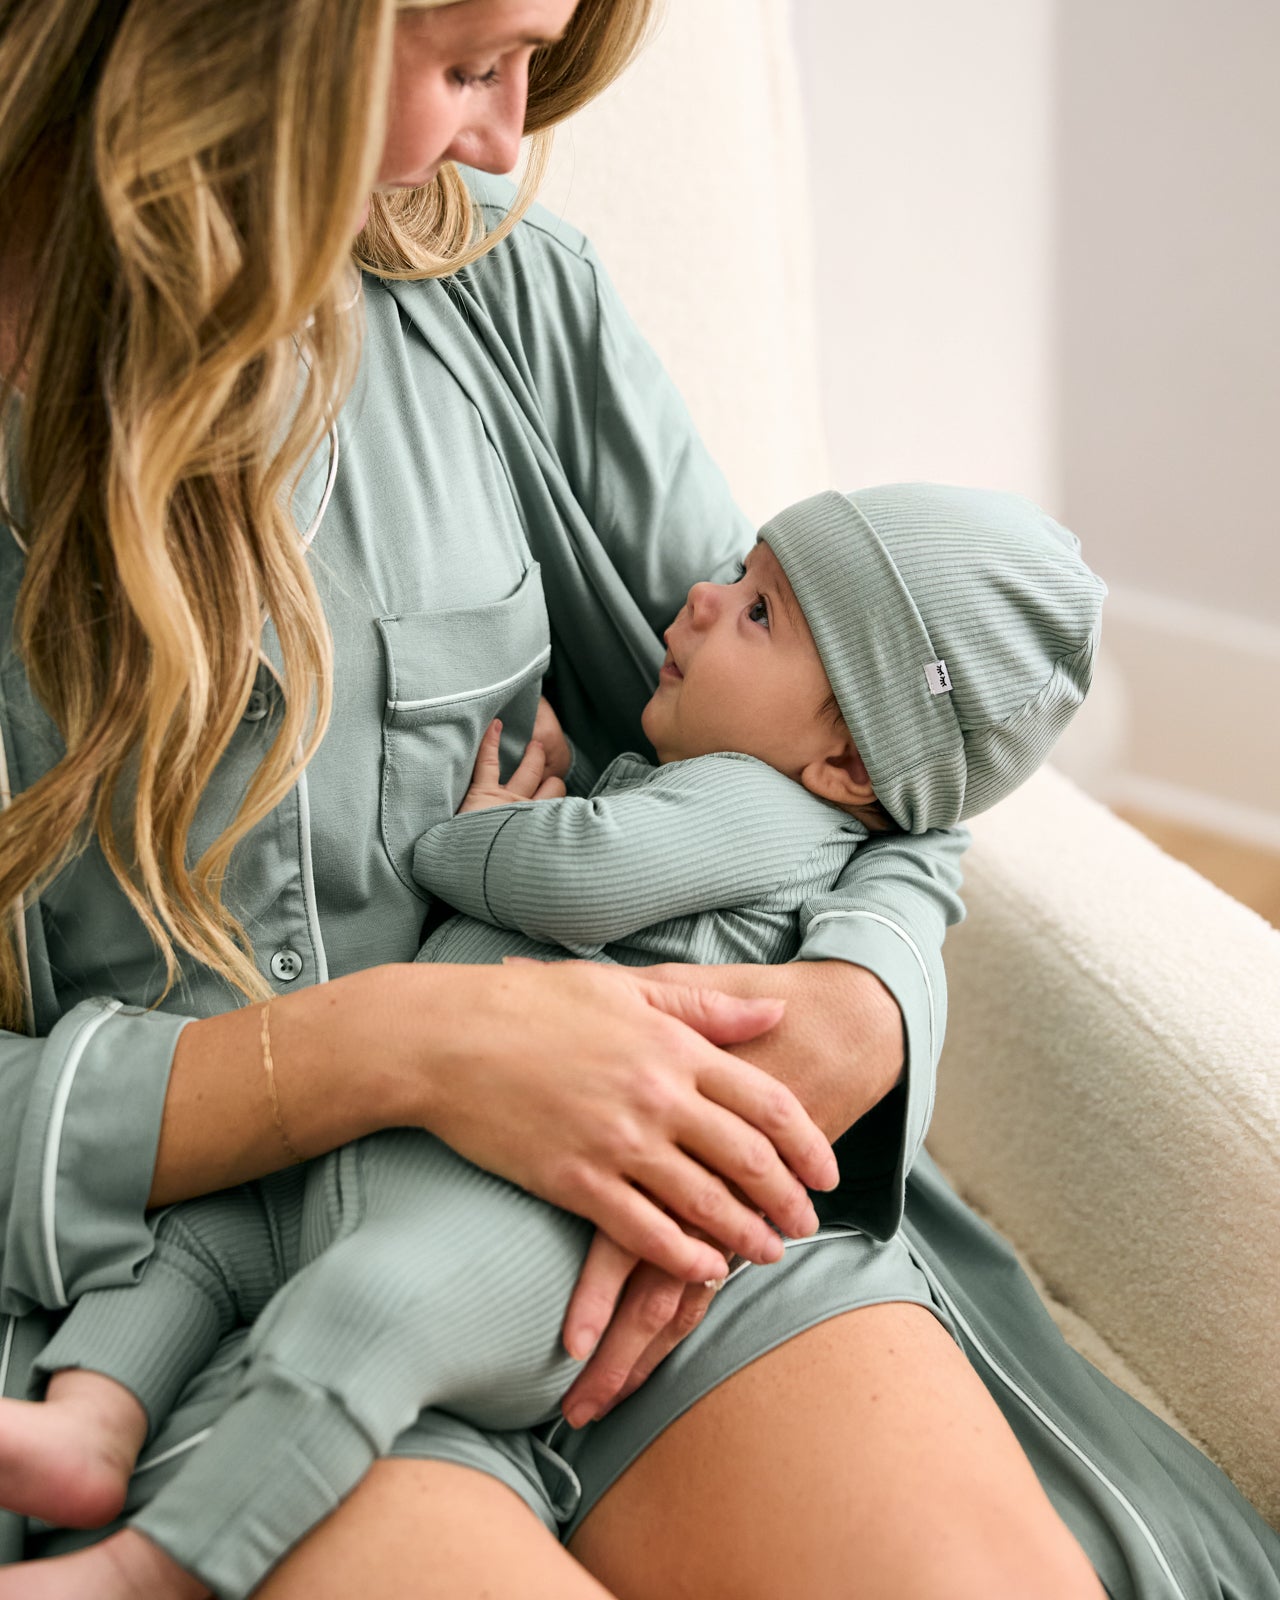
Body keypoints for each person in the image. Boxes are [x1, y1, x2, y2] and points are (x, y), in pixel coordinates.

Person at [2, 5, 1276, 1600]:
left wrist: (859, 1001)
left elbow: (867, 743)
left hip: (641, 1211)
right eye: (469, 61)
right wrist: (412, 1047)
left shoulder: (494, 297)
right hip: (181, 1296)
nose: (498, 143)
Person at [0, 482, 1107, 1600]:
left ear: (851, 770)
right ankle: (92, 1427)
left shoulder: (757, 808)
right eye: (736, 571)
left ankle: (151, 1570)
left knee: (361, 1315)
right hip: (377, 1159)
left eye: (760, 611)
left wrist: (466, 839)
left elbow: (584, 874)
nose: (702, 600)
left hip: (524, 1235)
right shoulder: (743, 774)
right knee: (194, 1230)